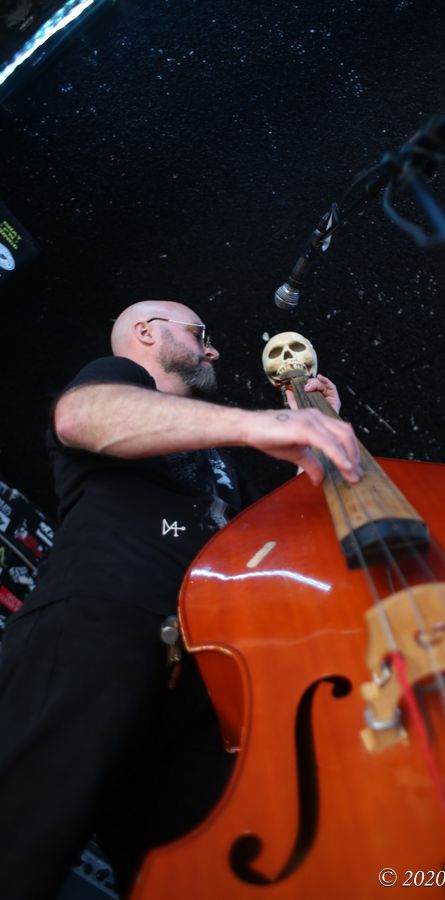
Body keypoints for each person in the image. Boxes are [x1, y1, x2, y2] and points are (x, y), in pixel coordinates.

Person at [0, 299, 361, 900]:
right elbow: (79, 415)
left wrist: (315, 435)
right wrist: (259, 424)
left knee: (200, 874)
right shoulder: (117, 378)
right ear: (145, 332)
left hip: (201, 681)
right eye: (200, 334)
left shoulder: (218, 459)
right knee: (19, 841)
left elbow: (269, 547)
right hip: (99, 631)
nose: (212, 349)